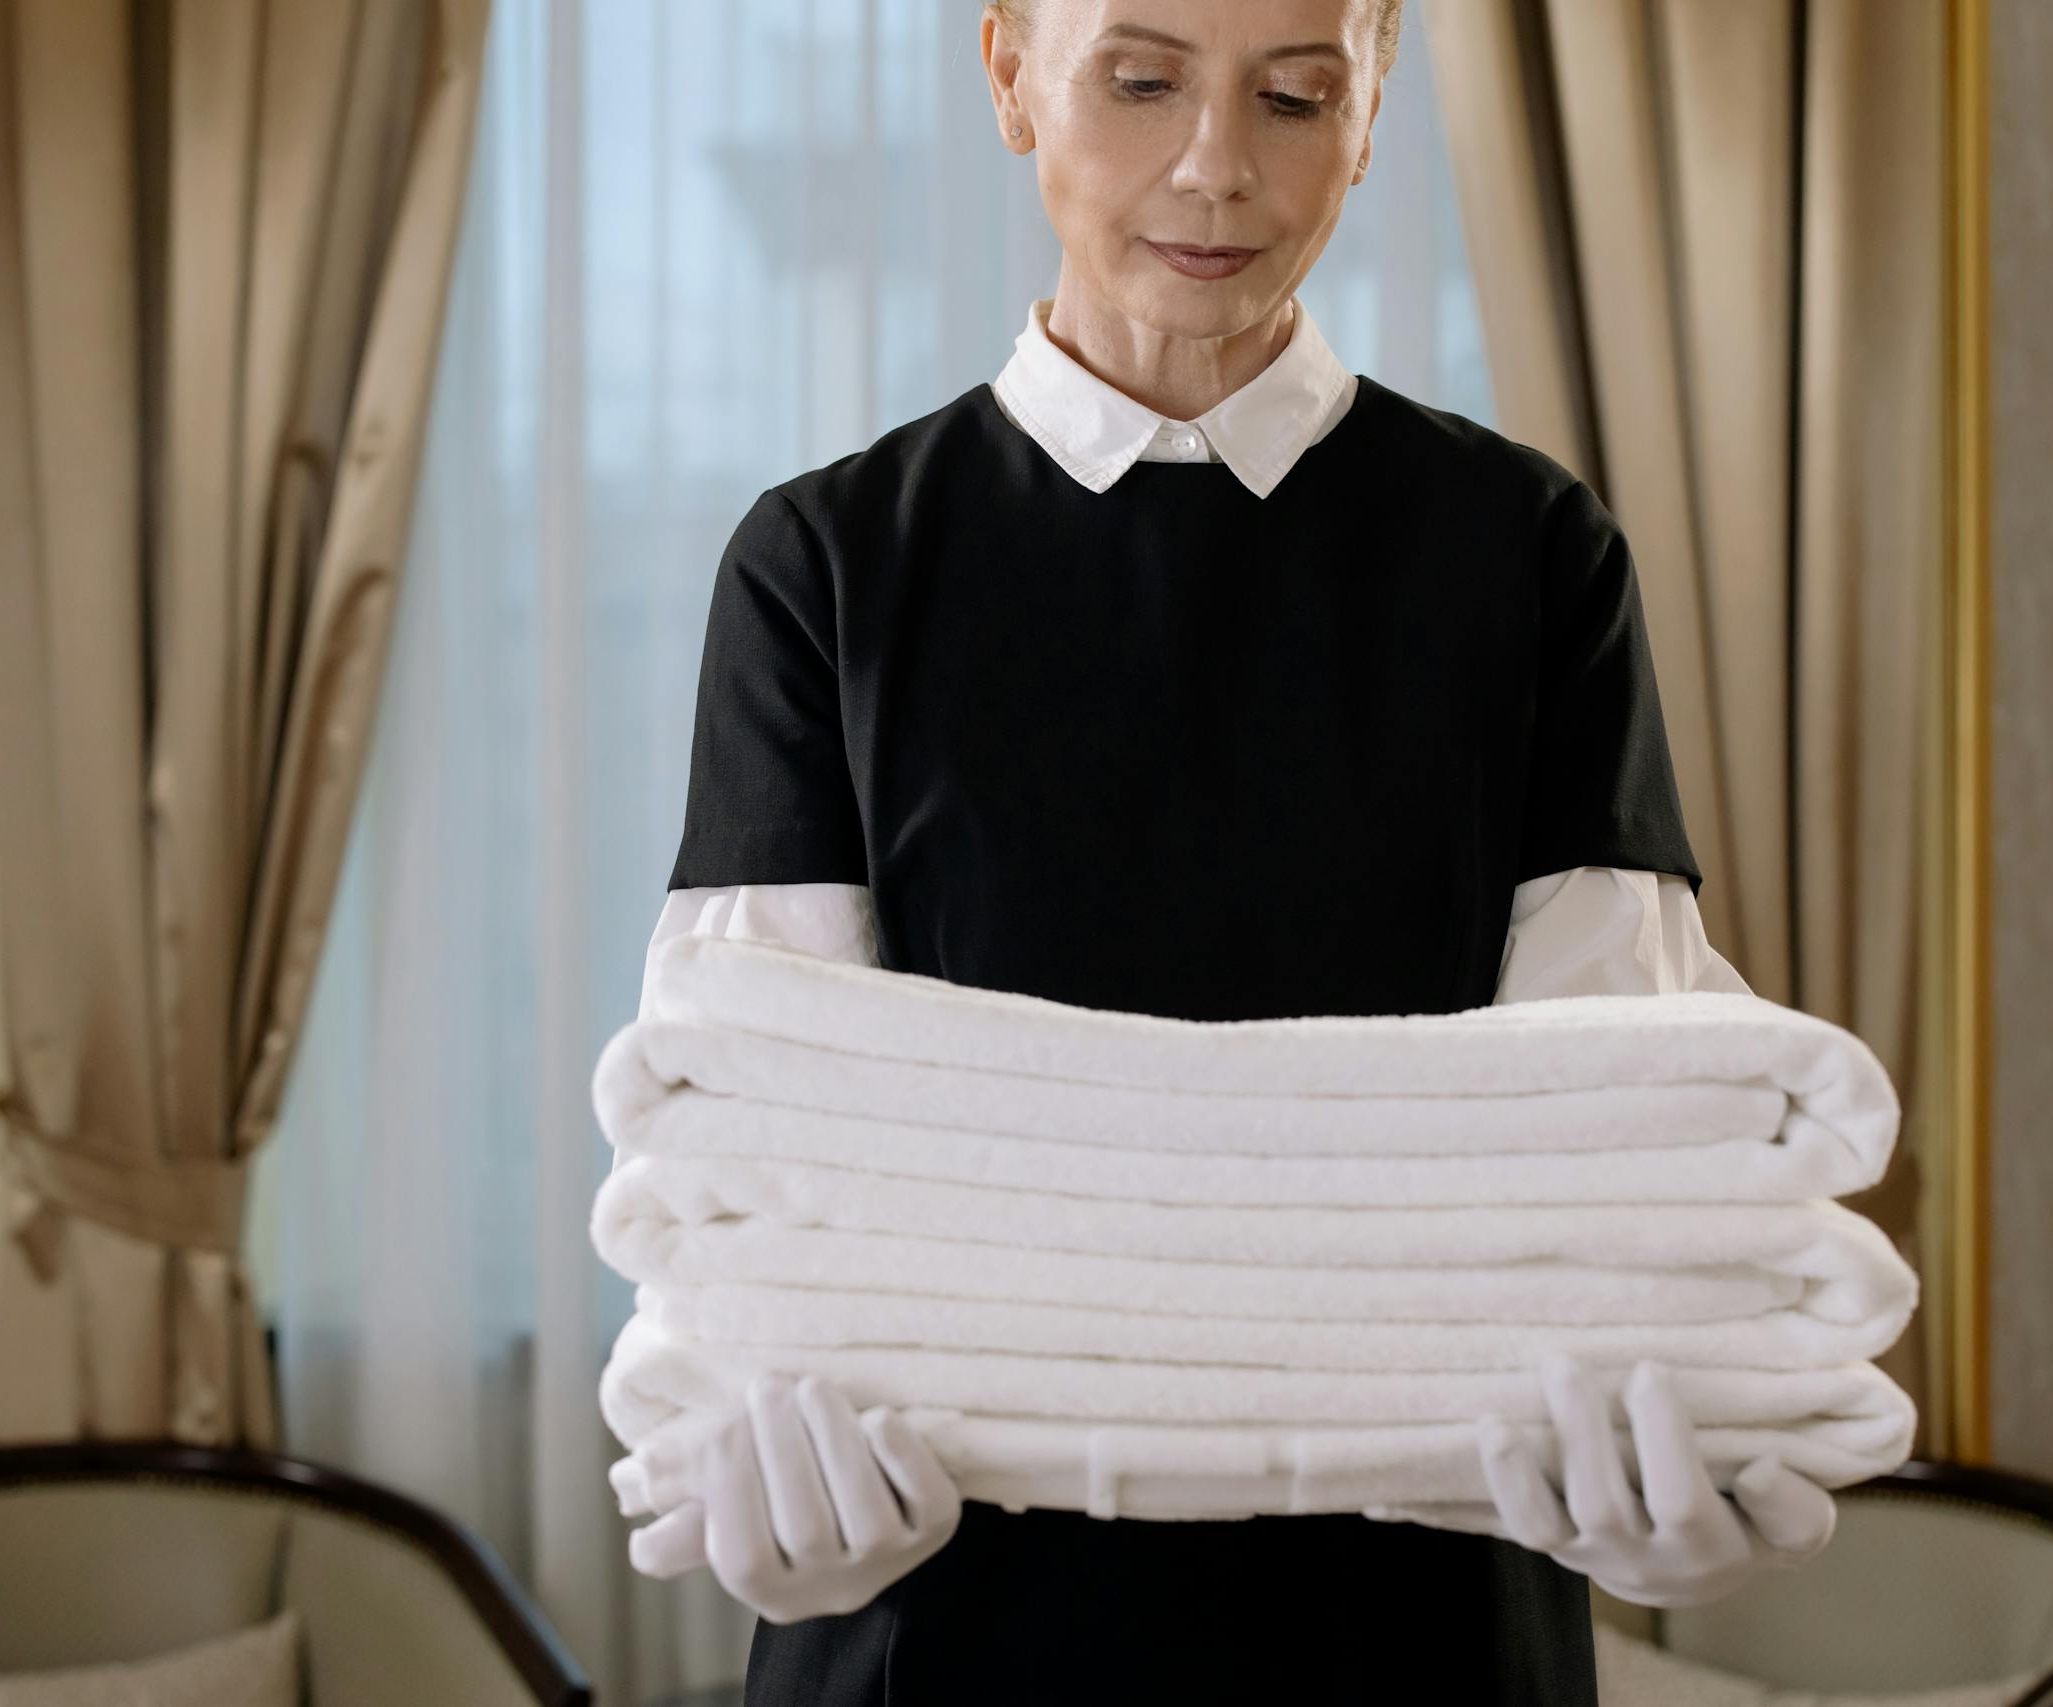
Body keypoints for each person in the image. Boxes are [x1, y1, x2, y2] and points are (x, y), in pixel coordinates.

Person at [624, 2, 1838, 1700]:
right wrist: (753, 1439)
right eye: (1140, 80)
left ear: (1374, 104)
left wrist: (1674, 1432)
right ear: (1008, 76)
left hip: (1416, 1643)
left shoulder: (1528, 556)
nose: (1215, 166)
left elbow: (1609, 1148)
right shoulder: (825, 572)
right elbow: (757, 1170)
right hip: (939, 1643)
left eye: (1292, 94)